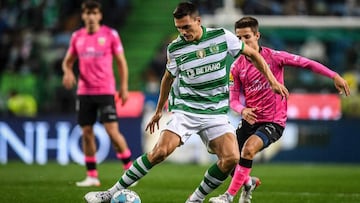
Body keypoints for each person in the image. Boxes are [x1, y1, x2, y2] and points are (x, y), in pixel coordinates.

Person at [84, 2, 288, 203]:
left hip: (215, 112)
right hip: (186, 110)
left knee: (231, 158)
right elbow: (167, 78)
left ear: (198, 21)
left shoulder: (222, 37)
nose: (183, 32)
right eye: (179, 28)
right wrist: (158, 110)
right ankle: (110, 193)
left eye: (186, 27)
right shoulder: (175, 48)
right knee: (159, 152)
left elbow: (253, 54)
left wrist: (272, 81)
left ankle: (195, 200)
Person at [209, 16, 350, 203]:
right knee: (227, 157)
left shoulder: (274, 57)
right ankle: (247, 182)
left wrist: (334, 75)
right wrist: (242, 110)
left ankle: (228, 197)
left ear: (257, 35)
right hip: (249, 120)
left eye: (247, 37)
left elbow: (305, 63)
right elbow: (233, 100)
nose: (243, 42)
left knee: (248, 150)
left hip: (273, 121)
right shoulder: (236, 67)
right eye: (239, 38)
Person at [62, 0, 134, 187]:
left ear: (100, 15)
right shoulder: (77, 36)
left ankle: (129, 169)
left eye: (94, 13)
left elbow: (121, 62)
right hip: (84, 92)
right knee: (86, 132)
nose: (91, 16)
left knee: (112, 131)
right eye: (87, 13)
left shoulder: (110, 35)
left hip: (105, 90)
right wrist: (68, 72)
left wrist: (124, 87)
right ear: (83, 15)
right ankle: (92, 175)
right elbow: (68, 61)